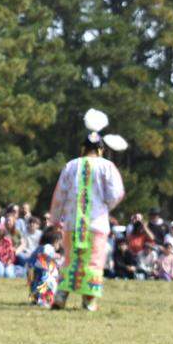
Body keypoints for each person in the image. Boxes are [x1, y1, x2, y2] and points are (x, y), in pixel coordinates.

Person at [50, 109, 127, 311]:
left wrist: (55, 219)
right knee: (93, 262)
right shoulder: (107, 167)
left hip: (73, 223)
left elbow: (59, 195)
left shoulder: (71, 166)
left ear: (83, 148)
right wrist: (105, 206)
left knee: (70, 260)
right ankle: (88, 301)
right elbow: (117, 193)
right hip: (96, 223)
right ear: (100, 150)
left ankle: (61, 295)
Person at [28, 229, 62, 307]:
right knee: (48, 285)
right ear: (55, 241)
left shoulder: (42, 247)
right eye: (59, 243)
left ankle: (35, 300)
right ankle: (43, 301)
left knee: (38, 285)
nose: (59, 246)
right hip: (43, 271)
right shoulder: (48, 247)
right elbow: (46, 253)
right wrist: (56, 255)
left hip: (39, 270)